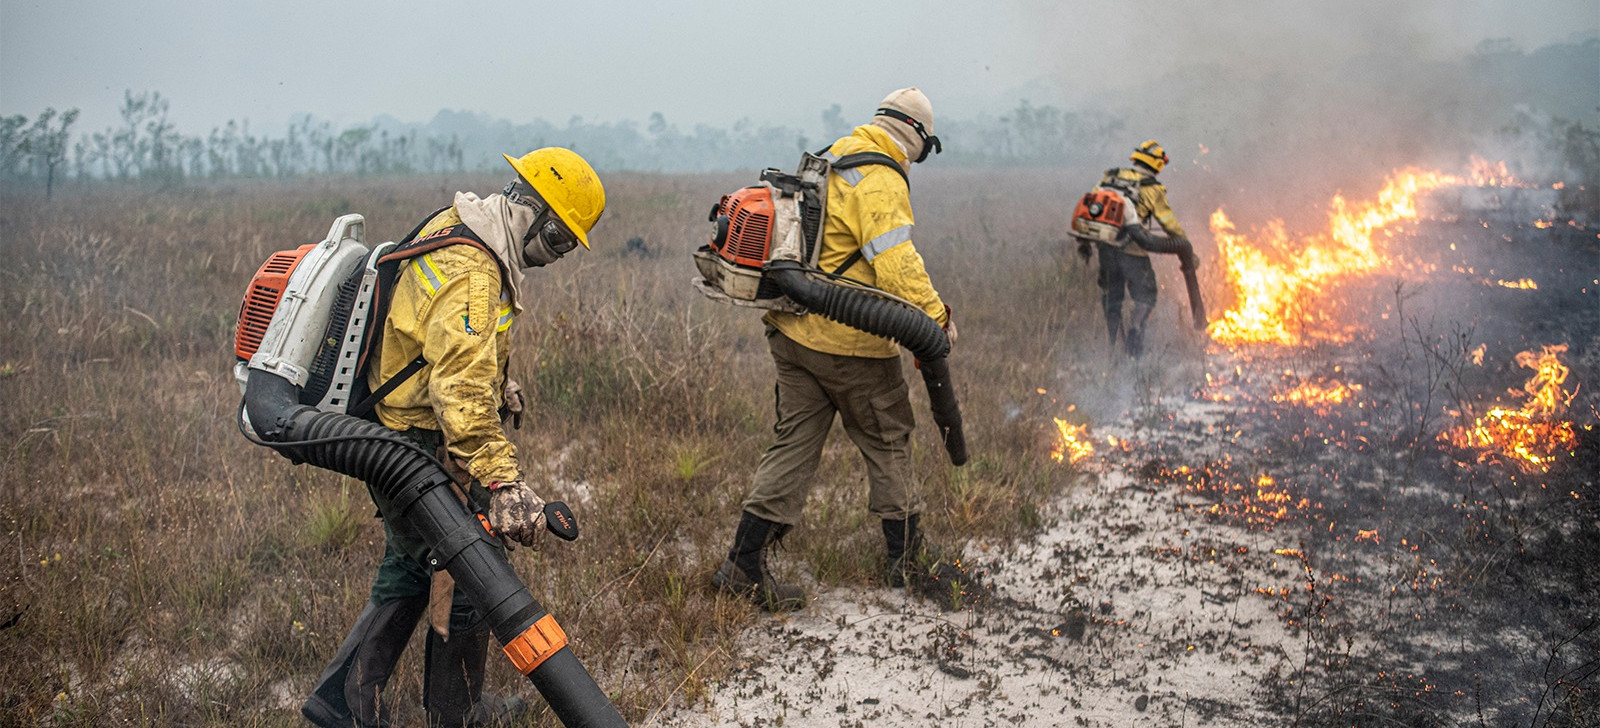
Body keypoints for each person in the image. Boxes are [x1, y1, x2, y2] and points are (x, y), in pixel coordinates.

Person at [301, 148, 605, 728]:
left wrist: (501, 382)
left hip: (398, 429)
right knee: (472, 570)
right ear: (532, 210)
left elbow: (447, 343)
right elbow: (459, 392)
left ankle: (340, 702)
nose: (558, 257)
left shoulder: (459, 222)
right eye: (560, 240)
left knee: (413, 566)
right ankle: (455, 712)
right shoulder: (473, 269)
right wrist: (502, 481)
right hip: (411, 441)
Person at [711, 88, 969, 612]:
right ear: (918, 138)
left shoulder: (833, 155)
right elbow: (897, 266)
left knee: (793, 443)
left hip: (793, 332)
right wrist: (937, 320)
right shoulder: (881, 177)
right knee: (889, 437)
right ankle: (907, 564)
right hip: (849, 345)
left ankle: (742, 562)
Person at [1076, 139, 1199, 357]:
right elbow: (1169, 223)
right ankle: (1135, 334)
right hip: (1134, 252)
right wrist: (1187, 249)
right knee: (1146, 296)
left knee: (1111, 298)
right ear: (1158, 164)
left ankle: (1113, 345)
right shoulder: (1152, 188)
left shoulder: (1111, 176)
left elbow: (1091, 205)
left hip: (1106, 249)